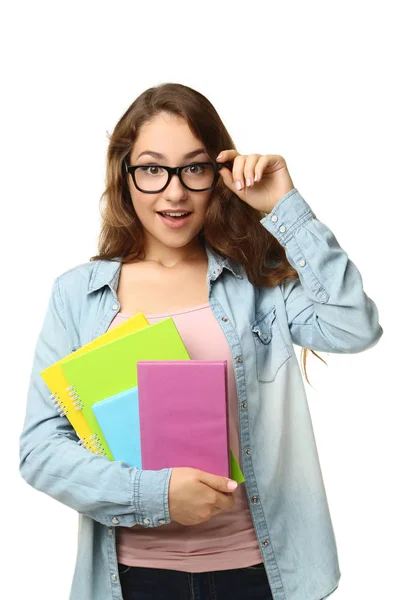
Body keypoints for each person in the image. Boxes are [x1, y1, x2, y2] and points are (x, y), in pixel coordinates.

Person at [19, 82, 383, 600]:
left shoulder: (259, 284)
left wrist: (284, 205)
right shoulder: (79, 295)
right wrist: (157, 495)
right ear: (125, 177)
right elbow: (40, 449)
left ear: (218, 175)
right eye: (152, 169)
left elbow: (355, 324)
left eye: (193, 168)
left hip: (260, 575)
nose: (174, 192)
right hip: (132, 579)